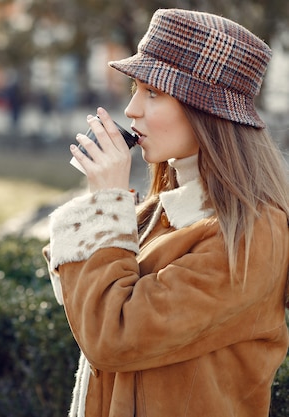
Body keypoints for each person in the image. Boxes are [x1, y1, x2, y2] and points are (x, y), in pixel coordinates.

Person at [42, 8, 289, 417]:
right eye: (135, 89)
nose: (133, 109)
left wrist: (106, 207)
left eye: (153, 92)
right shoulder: (162, 210)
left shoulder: (251, 233)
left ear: (206, 111)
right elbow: (82, 308)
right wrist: (108, 211)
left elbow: (113, 337)